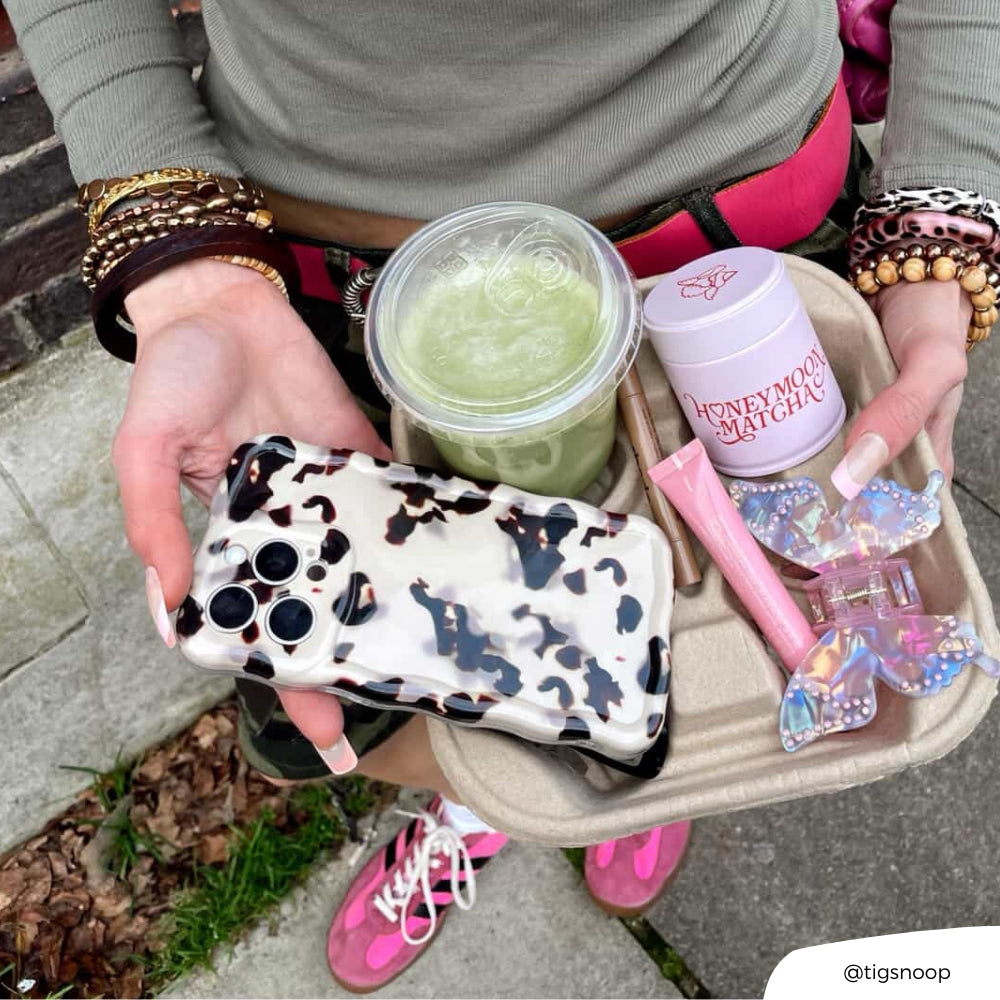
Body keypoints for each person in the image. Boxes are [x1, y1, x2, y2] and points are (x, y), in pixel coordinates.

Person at [7, 0, 998, 991]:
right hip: (331, 316)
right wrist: (172, 249)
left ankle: (642, 772)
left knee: (714, 670)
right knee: (379, 709)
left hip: (737, 275)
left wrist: (945, 206)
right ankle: (482, 802)